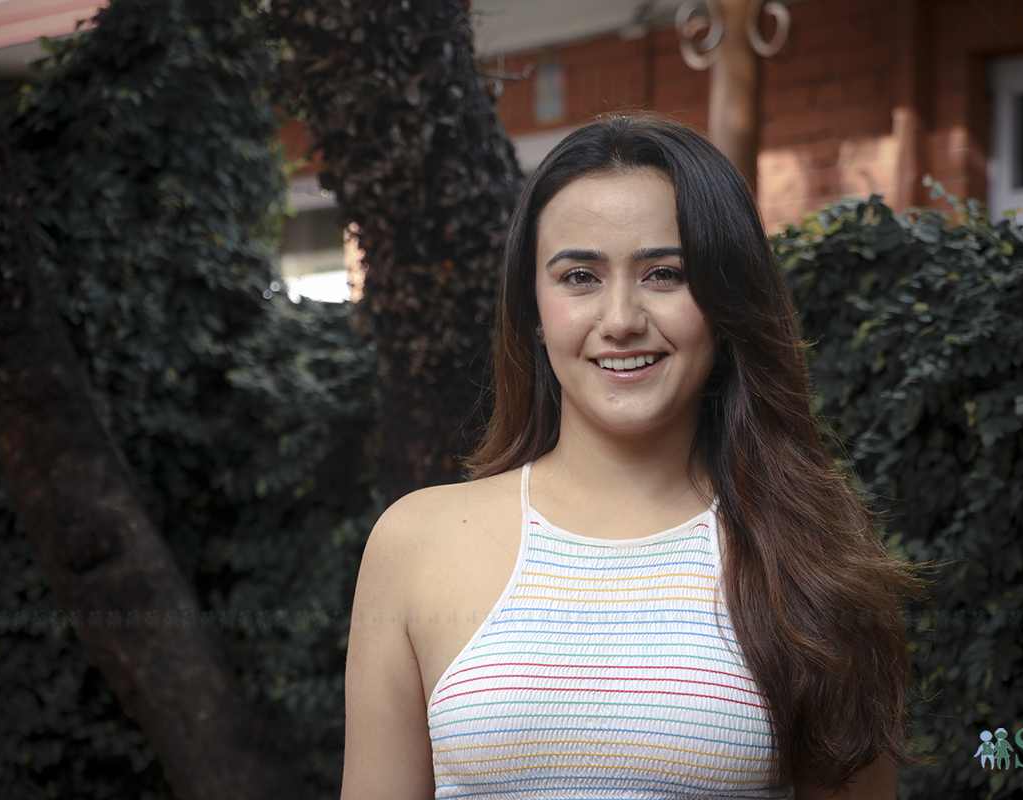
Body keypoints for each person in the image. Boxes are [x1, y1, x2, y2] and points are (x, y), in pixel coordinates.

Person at [341, 114, 919, 799]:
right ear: (533, 309)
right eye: (580, 276)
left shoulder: (809, 553)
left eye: (665, 274)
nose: (620, 320)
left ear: (727, 299)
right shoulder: (415, 544)